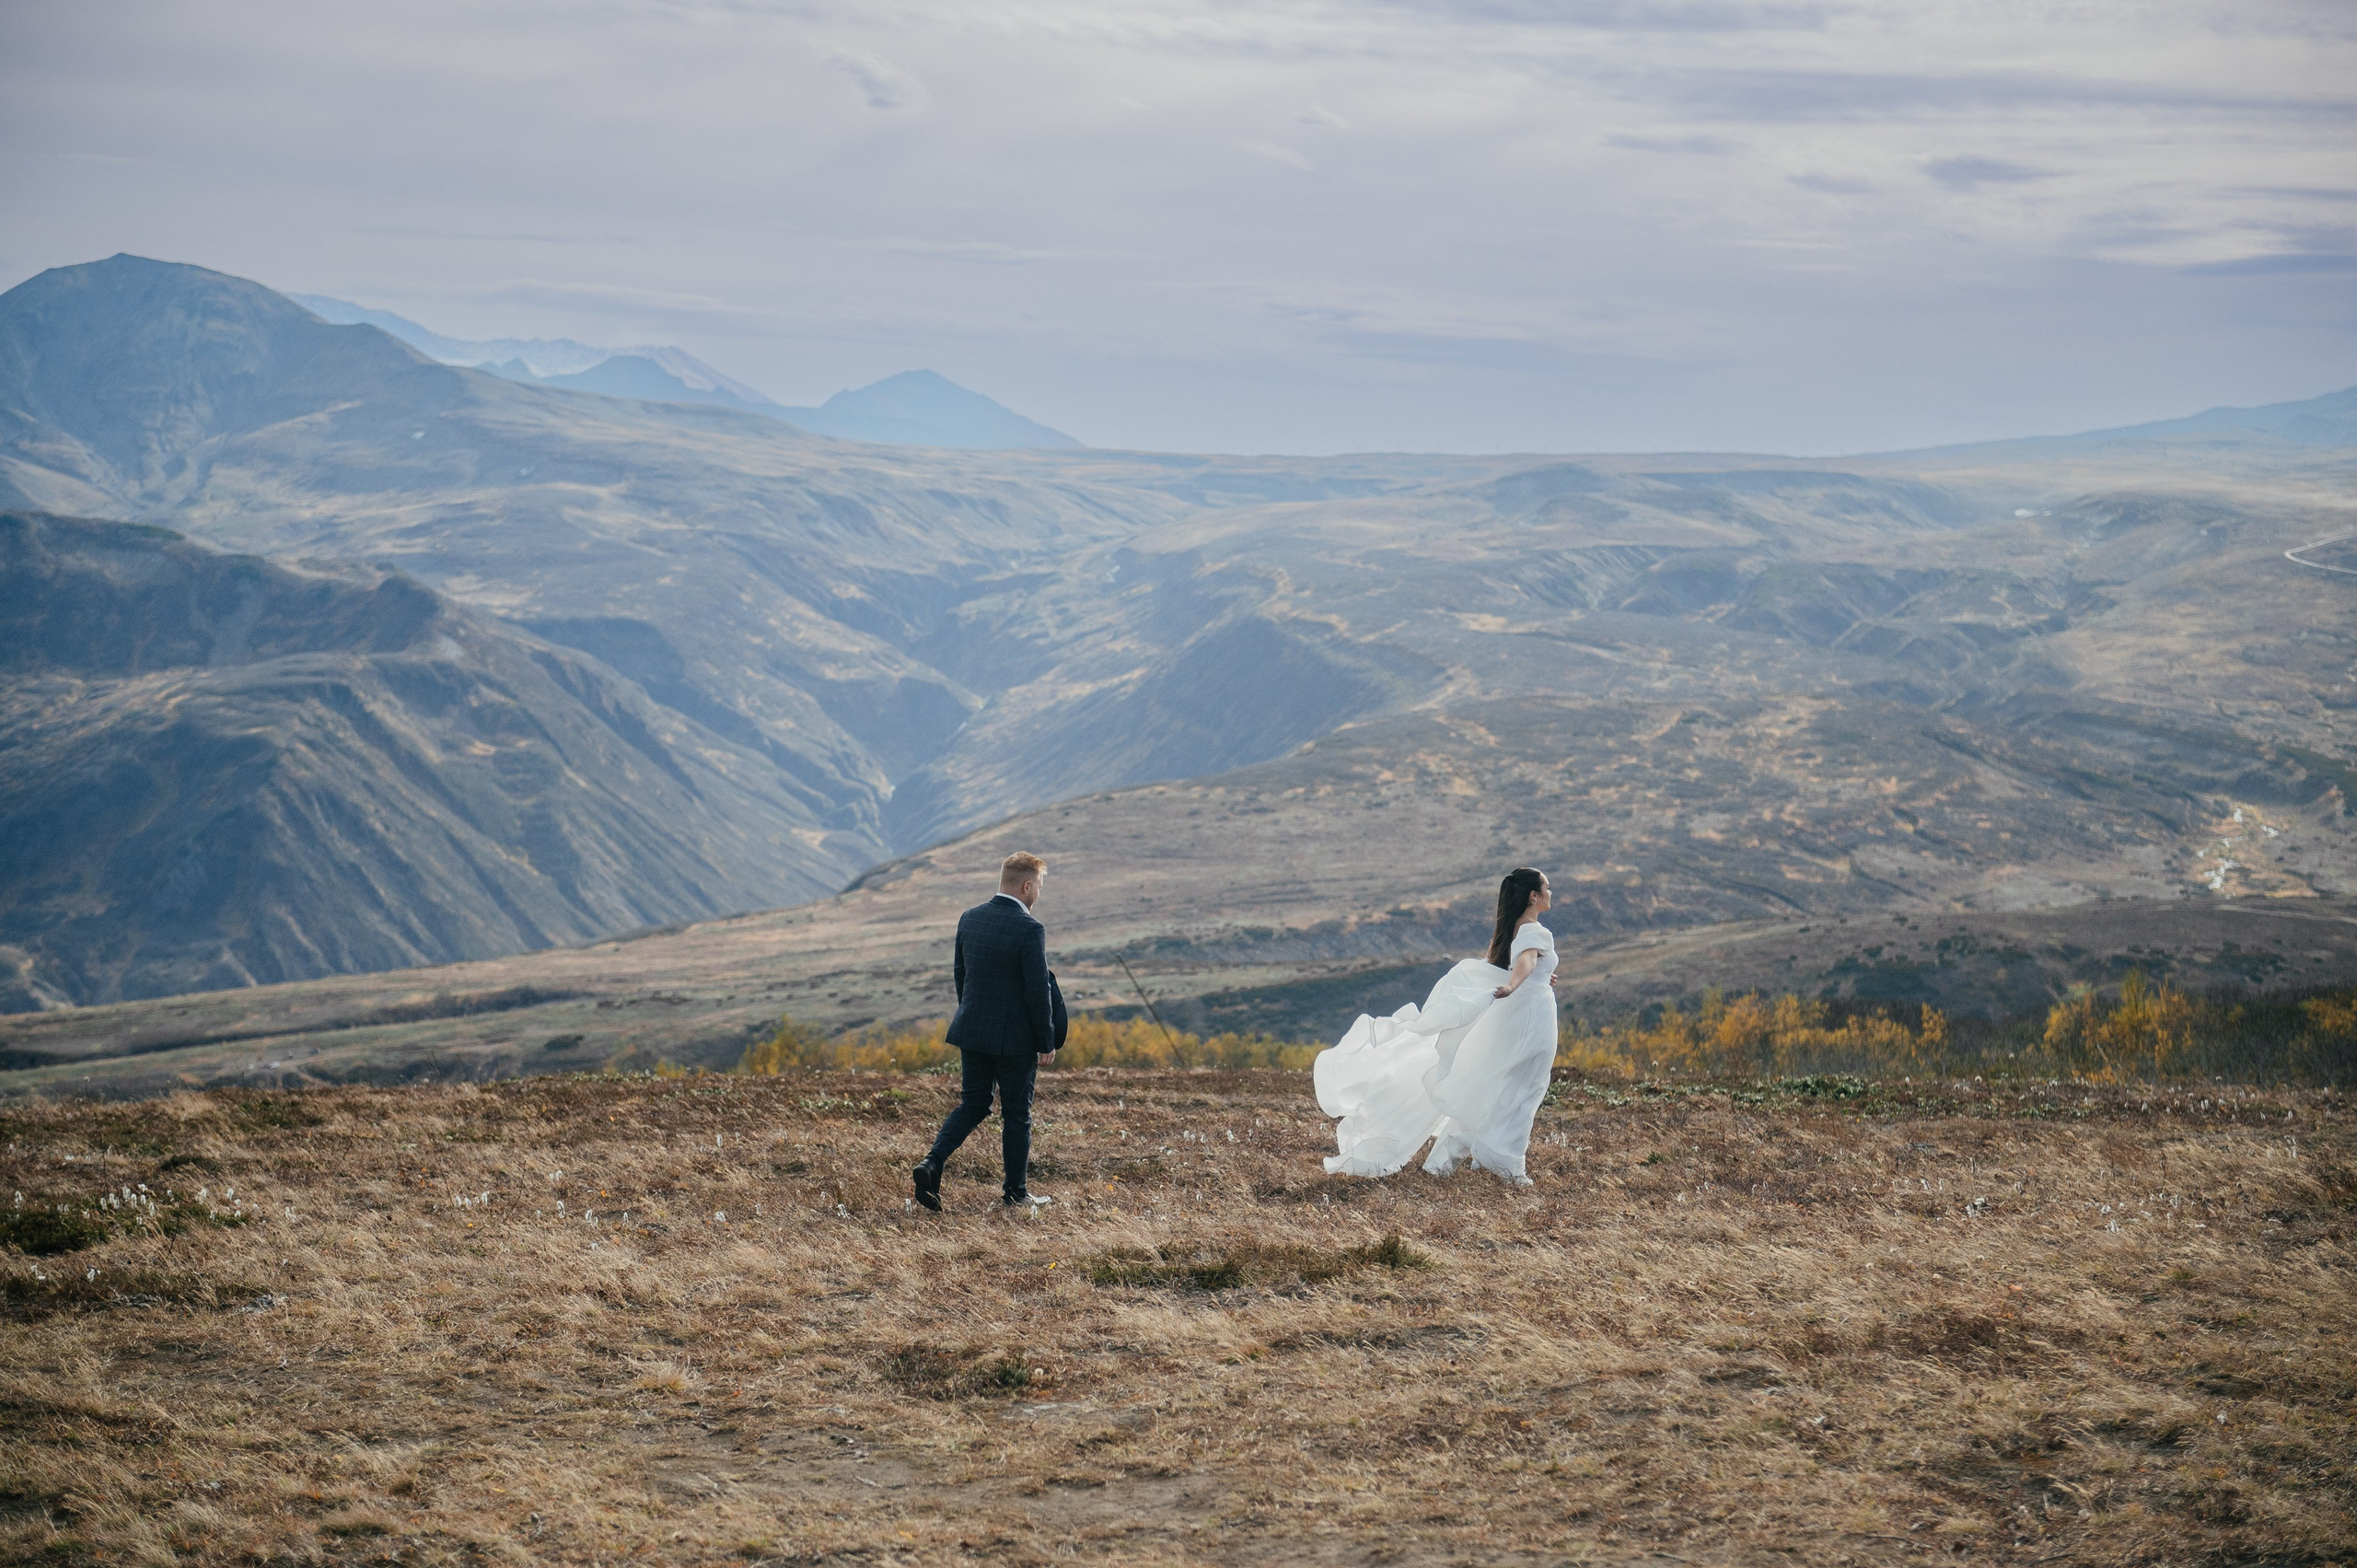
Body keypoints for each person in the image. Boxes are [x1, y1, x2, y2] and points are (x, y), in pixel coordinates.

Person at [1314, 866, 1557, 1187]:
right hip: (1531, 1020)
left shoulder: (1515, 928)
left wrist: (1538, 976)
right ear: (1533, 896)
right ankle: (1505, 1162)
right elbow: (1526, 960)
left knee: (1498, 1082)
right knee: (1523, 1087)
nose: (1551, 893)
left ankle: (1457, 1155)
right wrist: (1514, 984)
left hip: (1522, 1015)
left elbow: (1526, 964)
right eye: (1547, 888)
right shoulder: (1535, 930)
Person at [912, 852, 1064, 1212]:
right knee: (1017, 1114)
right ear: (1026, 886)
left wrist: (972, 1015)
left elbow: (961, 975)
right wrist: (1046, 1040)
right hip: (1015, 1041)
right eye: (1039, 886)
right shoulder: (1030, 929)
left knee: (973, 1104)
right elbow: (1037, 991)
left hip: (973, 1031)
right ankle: (1015, 1194)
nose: (1039, 893)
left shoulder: (970, 918)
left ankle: (932, 1162)